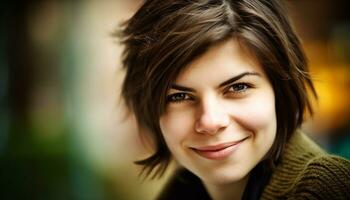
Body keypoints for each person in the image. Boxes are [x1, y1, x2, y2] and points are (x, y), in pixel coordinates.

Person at [117, 0, 350, 199]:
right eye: (179, 96)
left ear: (280, 91)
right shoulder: (181, 190)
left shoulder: (327, 188)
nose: (210, 121)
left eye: (238, 87)